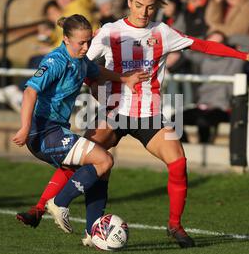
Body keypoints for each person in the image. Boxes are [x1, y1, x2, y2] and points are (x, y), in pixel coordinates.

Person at [17, 0, 249, 249]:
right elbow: (83, 64)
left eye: (150, 7)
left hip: (150, 115)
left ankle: (175, 225)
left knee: (178, 162)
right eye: (138, 5)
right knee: (83, 160)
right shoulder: (109, 32)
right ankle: (40, 209)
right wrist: (92, 86)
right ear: (129, 2)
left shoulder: (163, 31)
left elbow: (202, 45)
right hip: (113, 110)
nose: (143, 12)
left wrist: (243, 56)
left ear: (157, 7)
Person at [13, 15, 149, 234]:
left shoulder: (80, 60)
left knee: (98, 170)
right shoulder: (55, 61)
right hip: (43, 132)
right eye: (81, 43)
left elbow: (97, 71)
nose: (86, 47)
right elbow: (30, 92)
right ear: (66, 39)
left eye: (88, 42)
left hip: (55, 130)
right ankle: (59, 203)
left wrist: (124, 79)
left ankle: (92, 232)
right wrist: (25, 126)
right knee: (104, 160)